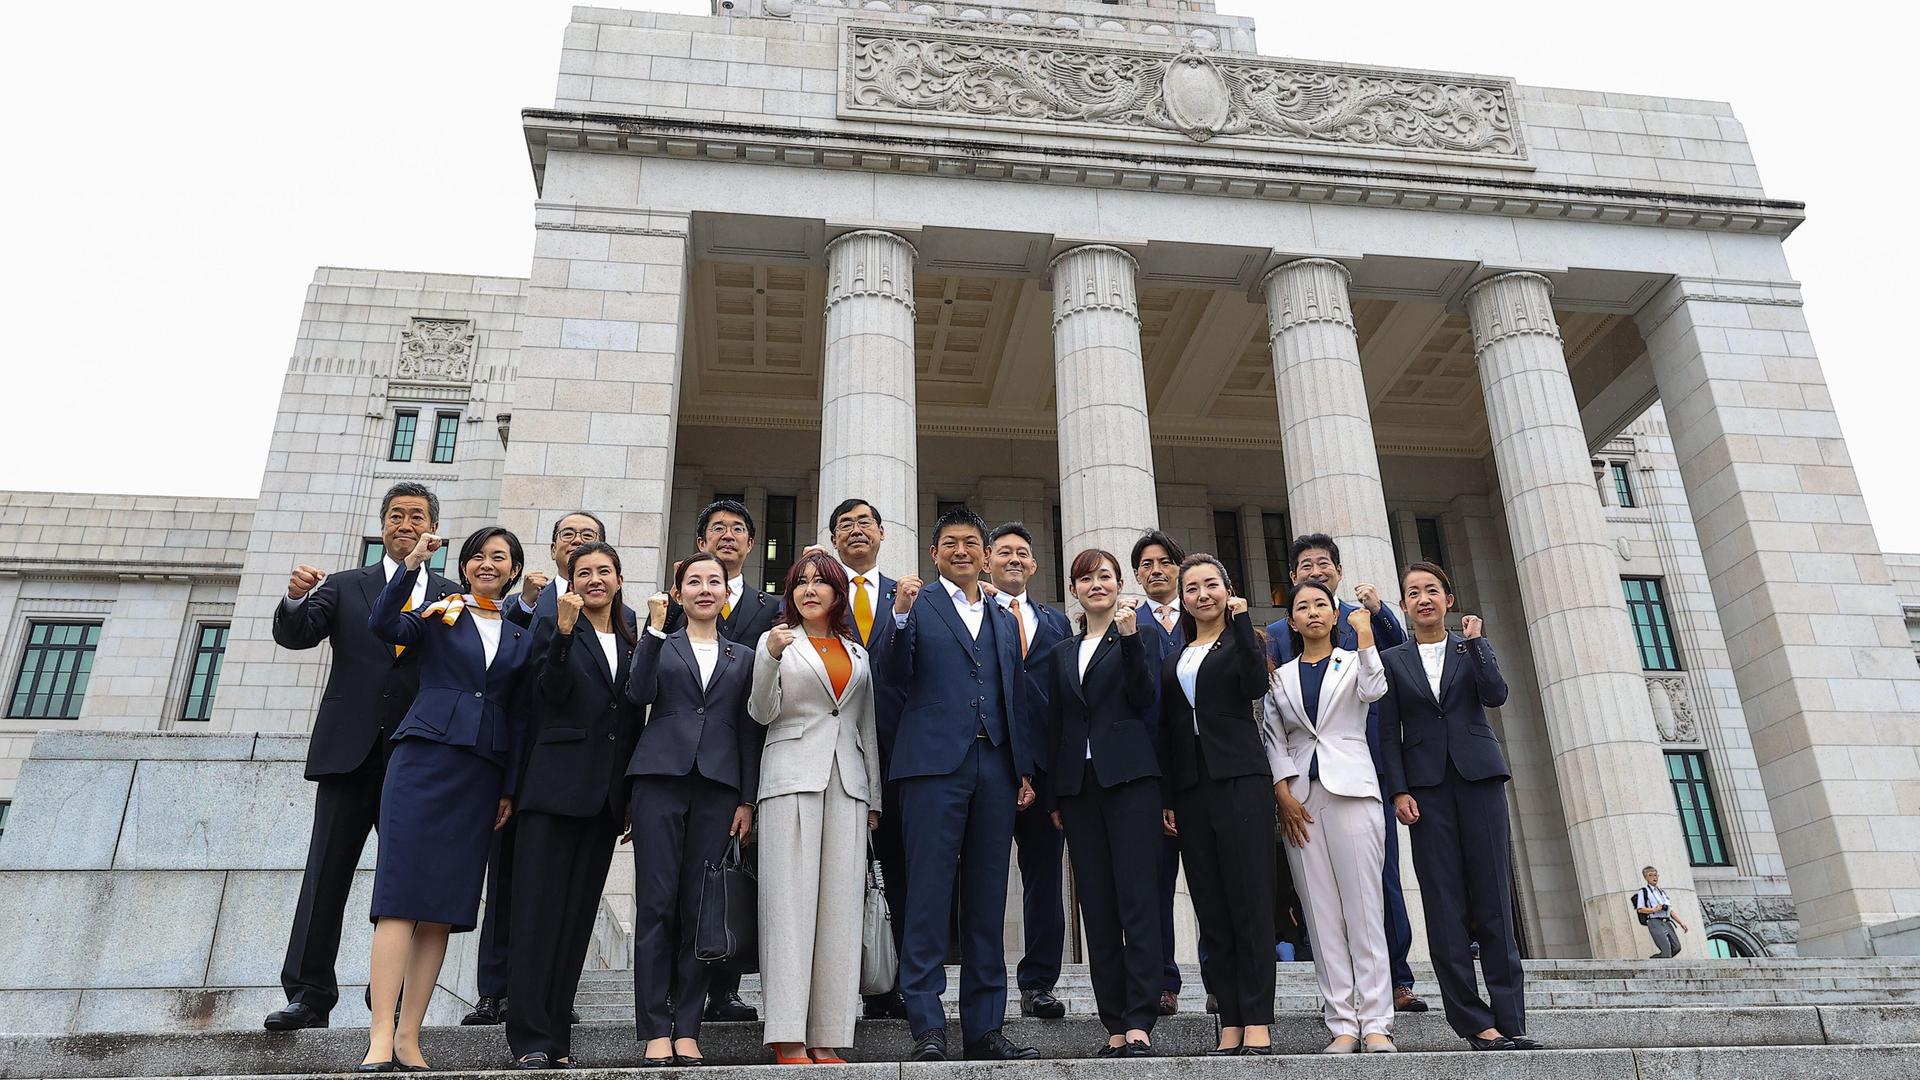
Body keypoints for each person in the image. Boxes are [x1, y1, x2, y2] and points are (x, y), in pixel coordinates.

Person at [266, 482, 461, 1033]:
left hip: (419, 760)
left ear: (433, 530)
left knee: (408, 884)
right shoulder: (346, 585)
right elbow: (296, 634)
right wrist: (296, 597)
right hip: (349, 754)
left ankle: (392, 997)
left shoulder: (450, 596)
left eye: (416, 516)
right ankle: (308, 993)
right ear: (382, 527)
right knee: (326, 874)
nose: (405, 523)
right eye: (395, 515)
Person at [360, 526, 535, 1072]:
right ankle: (380, 1035)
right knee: (399, 898)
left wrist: (509, 786)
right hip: (423, 762)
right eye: (478, 556)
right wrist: (412, 563)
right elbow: (384, 624)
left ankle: (411, 1036)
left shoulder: (520, 635)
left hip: (481, 773)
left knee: (442, 910)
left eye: (499, 558)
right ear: (464, 566)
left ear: (513, 571)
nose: (488, 564)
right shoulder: (440, 610)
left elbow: (520, 714)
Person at [878, 503, 1040, 1063]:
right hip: (930, 768)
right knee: (926, 895)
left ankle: (985, 1028)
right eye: (951, 542)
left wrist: (1022, 767)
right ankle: (926, 1024)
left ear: (986, 555)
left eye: (972, 542)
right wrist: (897, 617)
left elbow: (1012, 694)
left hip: (994, 766)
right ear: (934, 553)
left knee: (987, 898)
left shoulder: (1000, 614)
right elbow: (889, 674)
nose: (962, 550)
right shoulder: (914, 606)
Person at [1379, 561, 1542, 1052]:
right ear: (1404, 605)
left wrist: (1478, 643)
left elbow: (1496, 694)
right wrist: (1399, 790)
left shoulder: (1469, 647)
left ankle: (1511, 1020)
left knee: (1493, 898)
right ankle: (1474, 1022)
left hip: (1480, 780)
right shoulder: (1392, 659)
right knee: (1444, 904)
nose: (1423, 598)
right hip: (1426, 790)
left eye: (1432, 590)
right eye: (1413, 592)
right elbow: (1388, 733)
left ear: (1448, 599)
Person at [1263, 533, 1425, 1014]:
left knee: (1375, 892)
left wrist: (1376, 620)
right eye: (1304, 567)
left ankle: (1389, 992)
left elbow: (1388, 677)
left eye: (1323, 566)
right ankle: (1338, 1007)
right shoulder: (1277, 652)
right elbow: (1273, 729)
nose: (1314, 573)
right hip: (1303, 791)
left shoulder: (1361, 631)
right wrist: (1282, 791)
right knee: (1319, 906)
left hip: (1361, 777)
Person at [504, 541, 639, 1070]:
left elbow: (630, 721)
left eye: (605, 571)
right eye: (585, 572)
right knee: (537, 916)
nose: (595, 579)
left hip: (603, 800)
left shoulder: (630, 635)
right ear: (572, 579)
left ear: (619, 579)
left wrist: (626, 795)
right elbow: (547, 694)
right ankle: (530, 1036)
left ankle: (556, 1036)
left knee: (576, 921)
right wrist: (561, 634)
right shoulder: (553, 624)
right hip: (553, 792)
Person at [748, 551, 885, 1064]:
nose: (810, 590)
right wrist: (770, 657)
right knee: (788, 906)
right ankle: (786, 1034)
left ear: (835, 593)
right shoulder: (776, 641)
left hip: (847, 784)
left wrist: (874, 797)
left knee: (840, 910)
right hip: (789, 780)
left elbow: (865, 726)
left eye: (820, 583)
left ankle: (827, 1033)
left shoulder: (857, 650)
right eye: (800, 582)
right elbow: (761, 711)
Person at [473, 510, 607, 1028]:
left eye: (588, 538)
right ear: (553, 552)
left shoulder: (615, 615)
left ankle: (552, 994)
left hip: (568, 773)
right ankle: (494, 990)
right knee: (506, 878)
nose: (577, 543)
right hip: (515, 759)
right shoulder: (518, 604)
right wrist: (528, 603)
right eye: (568, 536)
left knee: (555, 889)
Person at [625, 551, 759, 1067]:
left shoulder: (743, 657)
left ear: (726, 594)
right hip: (659, 781)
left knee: (702, 909)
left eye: (715, 582)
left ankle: (687, 1027)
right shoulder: (661, 644)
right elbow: (637, 693)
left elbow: (750, 732)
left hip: (719, 789)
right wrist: (655, 631)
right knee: (656, 905)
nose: (705, 589)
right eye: (694, 582)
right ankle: (654, 1028)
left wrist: (746, 798)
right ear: (678, 593)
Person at [1264, 579, 1397, 1054]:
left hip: (1354, 793)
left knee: (1364, 910)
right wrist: (1283, 794)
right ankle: (1342, 1022)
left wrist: (1365, 636)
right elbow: (1274, 737)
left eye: (1321, 604)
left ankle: (1377, 1021)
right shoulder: (1279, 676)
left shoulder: (1353, 660)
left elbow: (1376, 688)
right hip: (1302, 801)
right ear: (1293, 621)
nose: (1313, 612)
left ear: (1334, 614)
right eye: (1303, 607)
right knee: (1320, 917)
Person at [1043, 549, 1161, 1057]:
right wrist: (1054, 792)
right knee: (1096, 906)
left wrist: (1131, 639)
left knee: (1137, 900)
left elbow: (1145, 696)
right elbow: (1056, 726)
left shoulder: (1142, 636)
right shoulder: (1062, 652)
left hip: (1131, 780)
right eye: (1085, 578)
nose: (1096, 584)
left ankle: (1140, 1020)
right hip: (1079, 788)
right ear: (1074, 589)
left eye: (1104, 577)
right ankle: (1113, 1022)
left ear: (1119, 585)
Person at [1158, 554, 1274, 1055]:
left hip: (1241, 780)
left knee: (1250, 900)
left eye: (1211, 585)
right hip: (1190, 789)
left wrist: (1244, 621)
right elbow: (1166, 728)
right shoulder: (1176, 654)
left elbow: (1255, 683)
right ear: (1182, 599)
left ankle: (1258, 1018)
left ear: (1228, 590)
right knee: (1211, 904)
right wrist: (1168, 796)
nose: (1202, 595)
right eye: (1192, 588)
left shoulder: (1242, 640)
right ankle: (1229, 1017)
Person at [670, 499, 778, 1025]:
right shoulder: (677, 605)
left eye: (738, 530)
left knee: (733, 872)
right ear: (700, 542)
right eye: (717, 529)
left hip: (746, 745)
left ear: (752, 544)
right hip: (682, 758)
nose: (728, 536)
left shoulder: (771, 608)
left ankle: (726, 989)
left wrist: (750, 793)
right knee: (680, 879)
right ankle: (676, 982)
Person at [824, 497, 910, 1022]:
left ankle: (888, 985)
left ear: (882, 532)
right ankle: (832, 984)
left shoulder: (911, 598)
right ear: (833, 540)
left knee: (897, 869)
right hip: (836, 755)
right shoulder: (818, 598)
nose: (856, 532)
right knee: (836, 870)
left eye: (865, 523)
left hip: (900, 755)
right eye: (845, 526)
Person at [986, 521, 1073, 1020]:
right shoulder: (971, 615)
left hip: (1044, 771)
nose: (1014, 559)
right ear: (987, 560)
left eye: (1023, 553)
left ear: (1035, 565)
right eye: (1004, 553)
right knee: (986, 879)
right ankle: (985, 983)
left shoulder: (1056, 622)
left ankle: (1039, 981)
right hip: (992, 763)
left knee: (1045, 881)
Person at [1129, 530, 1188, 1018]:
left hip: (1204, 767)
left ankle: (1220, 975)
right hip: (1150, 772)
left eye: (1164, 562)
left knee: (1214, 882)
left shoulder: (1198, 617)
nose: (1155, 570)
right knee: (1154, 883)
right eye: (1145, 564)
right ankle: (1163, 979)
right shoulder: (1128, 626)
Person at [1635, 867, 1689, 958]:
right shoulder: (1643, 891)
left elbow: (1670, 910)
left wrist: (1681, 923)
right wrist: (1653, 910)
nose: (1654, 877)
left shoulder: (1662, 892)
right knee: (1666, 950)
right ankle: (1660, 960)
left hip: (1667, 922)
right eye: (1650, 875)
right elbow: (1640, 909)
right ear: (1645, 877)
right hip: (1654, 922)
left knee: (1676, 948)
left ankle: (1655, 959)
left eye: (1655, 875)